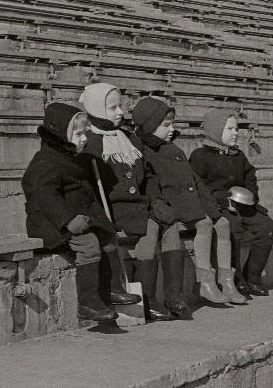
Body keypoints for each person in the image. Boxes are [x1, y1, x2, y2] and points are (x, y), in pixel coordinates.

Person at [21, 102, 138, 322]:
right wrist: (67, 220)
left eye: (85, 132)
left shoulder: (70, 156)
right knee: (89, 244)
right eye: (78, 133)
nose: (84, 138)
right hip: (50, 221)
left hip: (78, 216)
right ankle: (88, 302)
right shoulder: (45, 161)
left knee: (108, 238)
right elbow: (45, 196)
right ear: (59, 134)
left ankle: (112, 289)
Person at [131, 96, 248, 318]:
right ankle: (205, 280)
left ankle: (227, 280)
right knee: (204, 224)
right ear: (149, 125)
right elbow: (150, 184)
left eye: (172, 124)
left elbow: (195, 182)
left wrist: (213, 208)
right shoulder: (144, 151)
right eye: (166, 125)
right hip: (173, 204)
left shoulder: (172, 148)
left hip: (192, 199)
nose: (171, 129)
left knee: (222, 223)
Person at [79, 82, 172, 321]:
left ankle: (149, 297)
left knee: (156, 226)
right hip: (110, 210)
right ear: (96, 108)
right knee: (136, 234)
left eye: (120, 106)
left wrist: (156, 200)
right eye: (113, 108)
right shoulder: (88, 143)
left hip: (139, 206)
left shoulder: (130, 139)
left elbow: (149, 175)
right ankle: (122, 294)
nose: (121, 112)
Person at [189, 110, 273, 297]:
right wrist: (221, 198)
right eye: (230, 128)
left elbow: (250, 177)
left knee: (266, 225)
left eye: (236, 128)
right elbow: (199, 186)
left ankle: (252, 276)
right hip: (219, 205)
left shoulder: (239, 155)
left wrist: (251, 195)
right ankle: (235, 279)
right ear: (215, 130)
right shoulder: (200, 156)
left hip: (243, 205)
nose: (235, 132)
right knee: (233, 227)